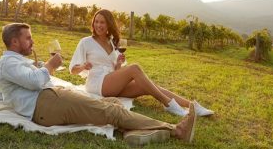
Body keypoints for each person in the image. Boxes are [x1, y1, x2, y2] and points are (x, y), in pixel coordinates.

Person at [0, 23, 197, 145]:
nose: (32, 42)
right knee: (111, 111)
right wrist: (49, 65)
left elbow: (30, 77)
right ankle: (176, 130)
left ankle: (129, 130)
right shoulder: (7, 62)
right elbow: (35, 82)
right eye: (28, 38)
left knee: (113, 102)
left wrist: (40, 65)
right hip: (46, 104)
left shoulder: (15, 62)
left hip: (51, 98)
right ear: (14, 42)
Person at [69, 9, 214, 117]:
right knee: (135, 68)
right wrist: (83, 66)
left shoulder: (112, 43)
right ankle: (169, 104)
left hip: (112, 83)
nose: (99, 25)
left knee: (149, 86)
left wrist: (119, 63)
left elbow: (114, 70)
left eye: (103, 22)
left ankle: (192, 106)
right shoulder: (86, 42)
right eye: (96, 21)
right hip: (97, 84)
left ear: (108, 25)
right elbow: (73, 70)